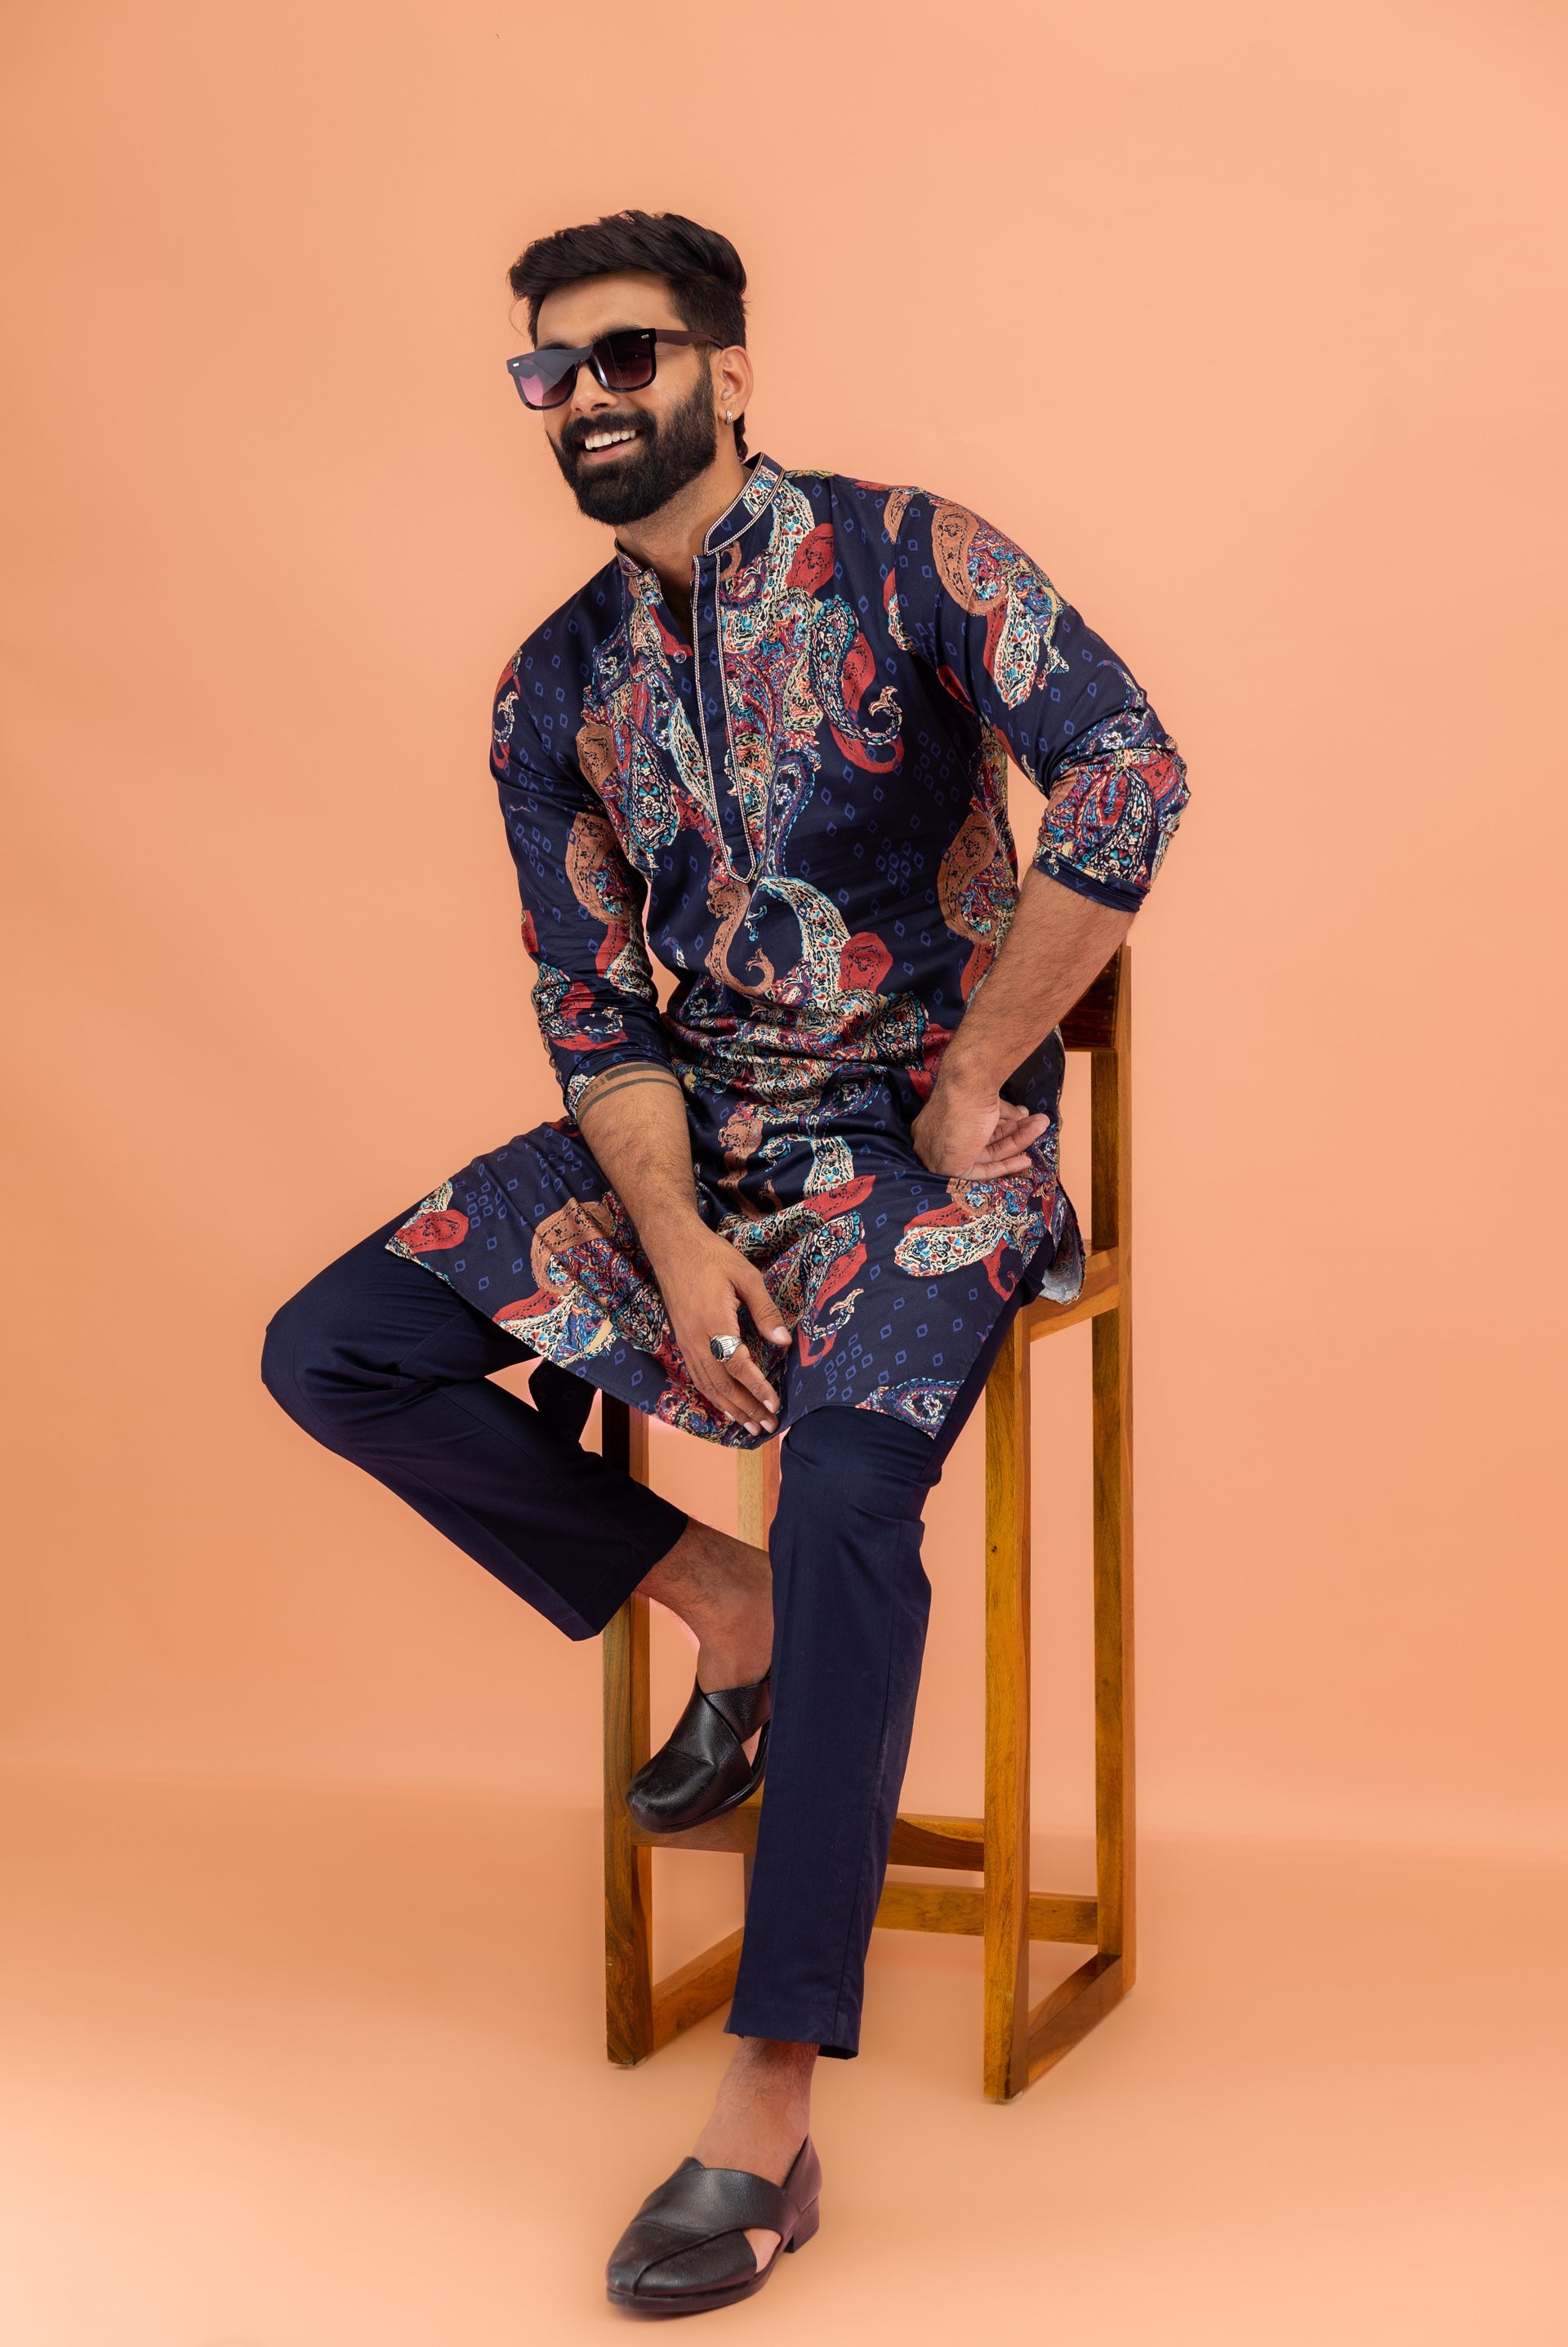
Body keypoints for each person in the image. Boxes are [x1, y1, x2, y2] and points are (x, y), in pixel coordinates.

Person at [262, 207, 1187, 2316]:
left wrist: (981, 1068)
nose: (586, 398)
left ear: (729, 373)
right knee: (335, 1346)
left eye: (629, 356)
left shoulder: (909, 554)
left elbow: (1131, 769)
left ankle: (769, 2103)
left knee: (854, 1488)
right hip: (697, 1147)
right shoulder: (550, 687)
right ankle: (722, 1603)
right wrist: (672, 1235)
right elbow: (590, 1002)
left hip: (918, 1151)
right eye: (551, 372)